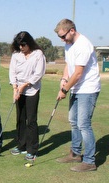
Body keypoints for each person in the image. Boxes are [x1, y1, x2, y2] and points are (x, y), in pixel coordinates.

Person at [54, 19, 101, 172]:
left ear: (72, 30)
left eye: (63, 36)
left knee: (83, 124)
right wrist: (63, 79)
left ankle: (89, 161)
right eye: (60, 37)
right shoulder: (69, 44)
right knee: (73, 121)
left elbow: (79, 73)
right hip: (76, 88)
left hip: (88, 88)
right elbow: (69, 65)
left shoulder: (83, 45)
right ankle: (75, 153)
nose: (62, 40)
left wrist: (64, 90)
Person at [8, 31, 46, 160]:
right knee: (20, 118)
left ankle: (32, 149)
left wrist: (24, 85)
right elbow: (12, 72)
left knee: (31, 120)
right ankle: (21, 145)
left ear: (29, 43)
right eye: (19, 45)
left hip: (32, 90)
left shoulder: (38, 54)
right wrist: (15, 88)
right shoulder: (16, 55)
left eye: (23, 45)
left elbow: (38, 73)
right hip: (18, 90)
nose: (21, 48)